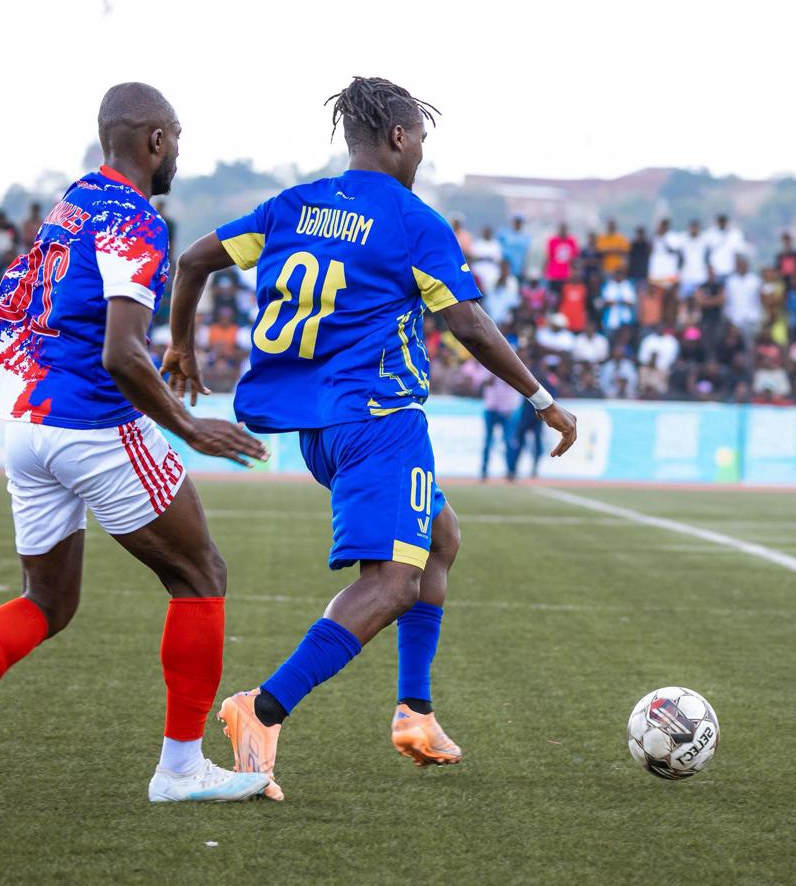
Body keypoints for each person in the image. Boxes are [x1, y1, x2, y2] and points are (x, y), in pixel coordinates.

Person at [162, 76, 577, 799]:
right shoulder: (413, 220)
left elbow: (193, 260)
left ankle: (415, 712)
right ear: (396, 138)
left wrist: (184, 348)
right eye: (419, 137)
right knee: (390, 583)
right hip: (382, 418)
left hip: (320, 429)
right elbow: (469, 324)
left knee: (440, 538)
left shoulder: (292, 206)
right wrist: (543, 400)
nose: (422, 151)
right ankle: (260, 709)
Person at [0, 82, 272, 805]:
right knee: (201, 576)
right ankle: (180, 769)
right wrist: (190, 430)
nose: (179, 151)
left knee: (47, 601)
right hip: (87, 424)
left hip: (26, 424)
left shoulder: (75, 200)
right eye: (177, 137)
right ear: (155, 140)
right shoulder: (136, 218)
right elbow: (122, 355)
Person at [543, 222, 579, 292]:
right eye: (561, 229)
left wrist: (574, 274)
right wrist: (545, 271)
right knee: (553, 297)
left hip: (567, 275)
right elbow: (548, 257)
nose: (563, 231)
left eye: (564, 229)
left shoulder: (572, 241)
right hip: (554, 274)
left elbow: (574, 259)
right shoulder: (552, 241)